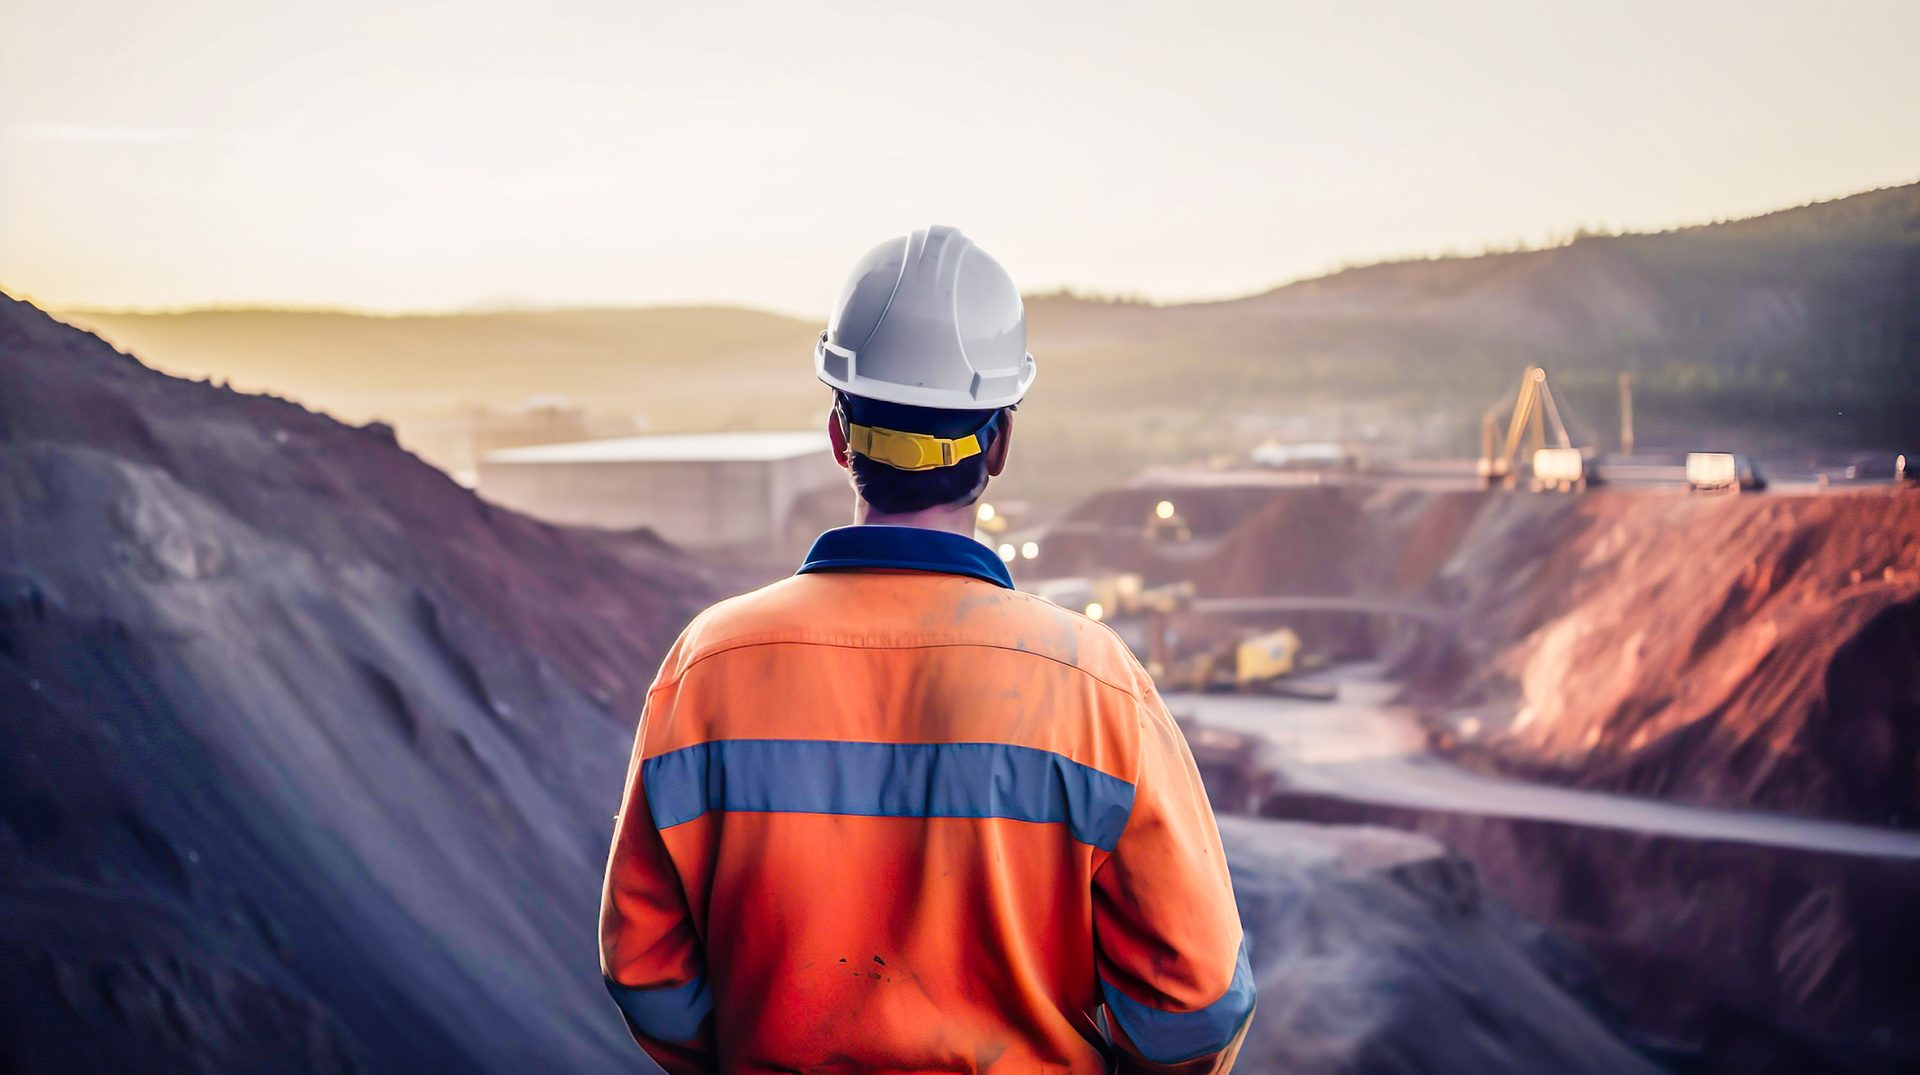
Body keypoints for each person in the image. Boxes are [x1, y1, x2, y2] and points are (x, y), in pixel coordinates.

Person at [599, 225, 1252, 1073]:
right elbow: (1192, 1004)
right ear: (1001, 445)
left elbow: (644, 968)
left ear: (841, 435)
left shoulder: (709, 666)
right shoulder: (1094, 685)